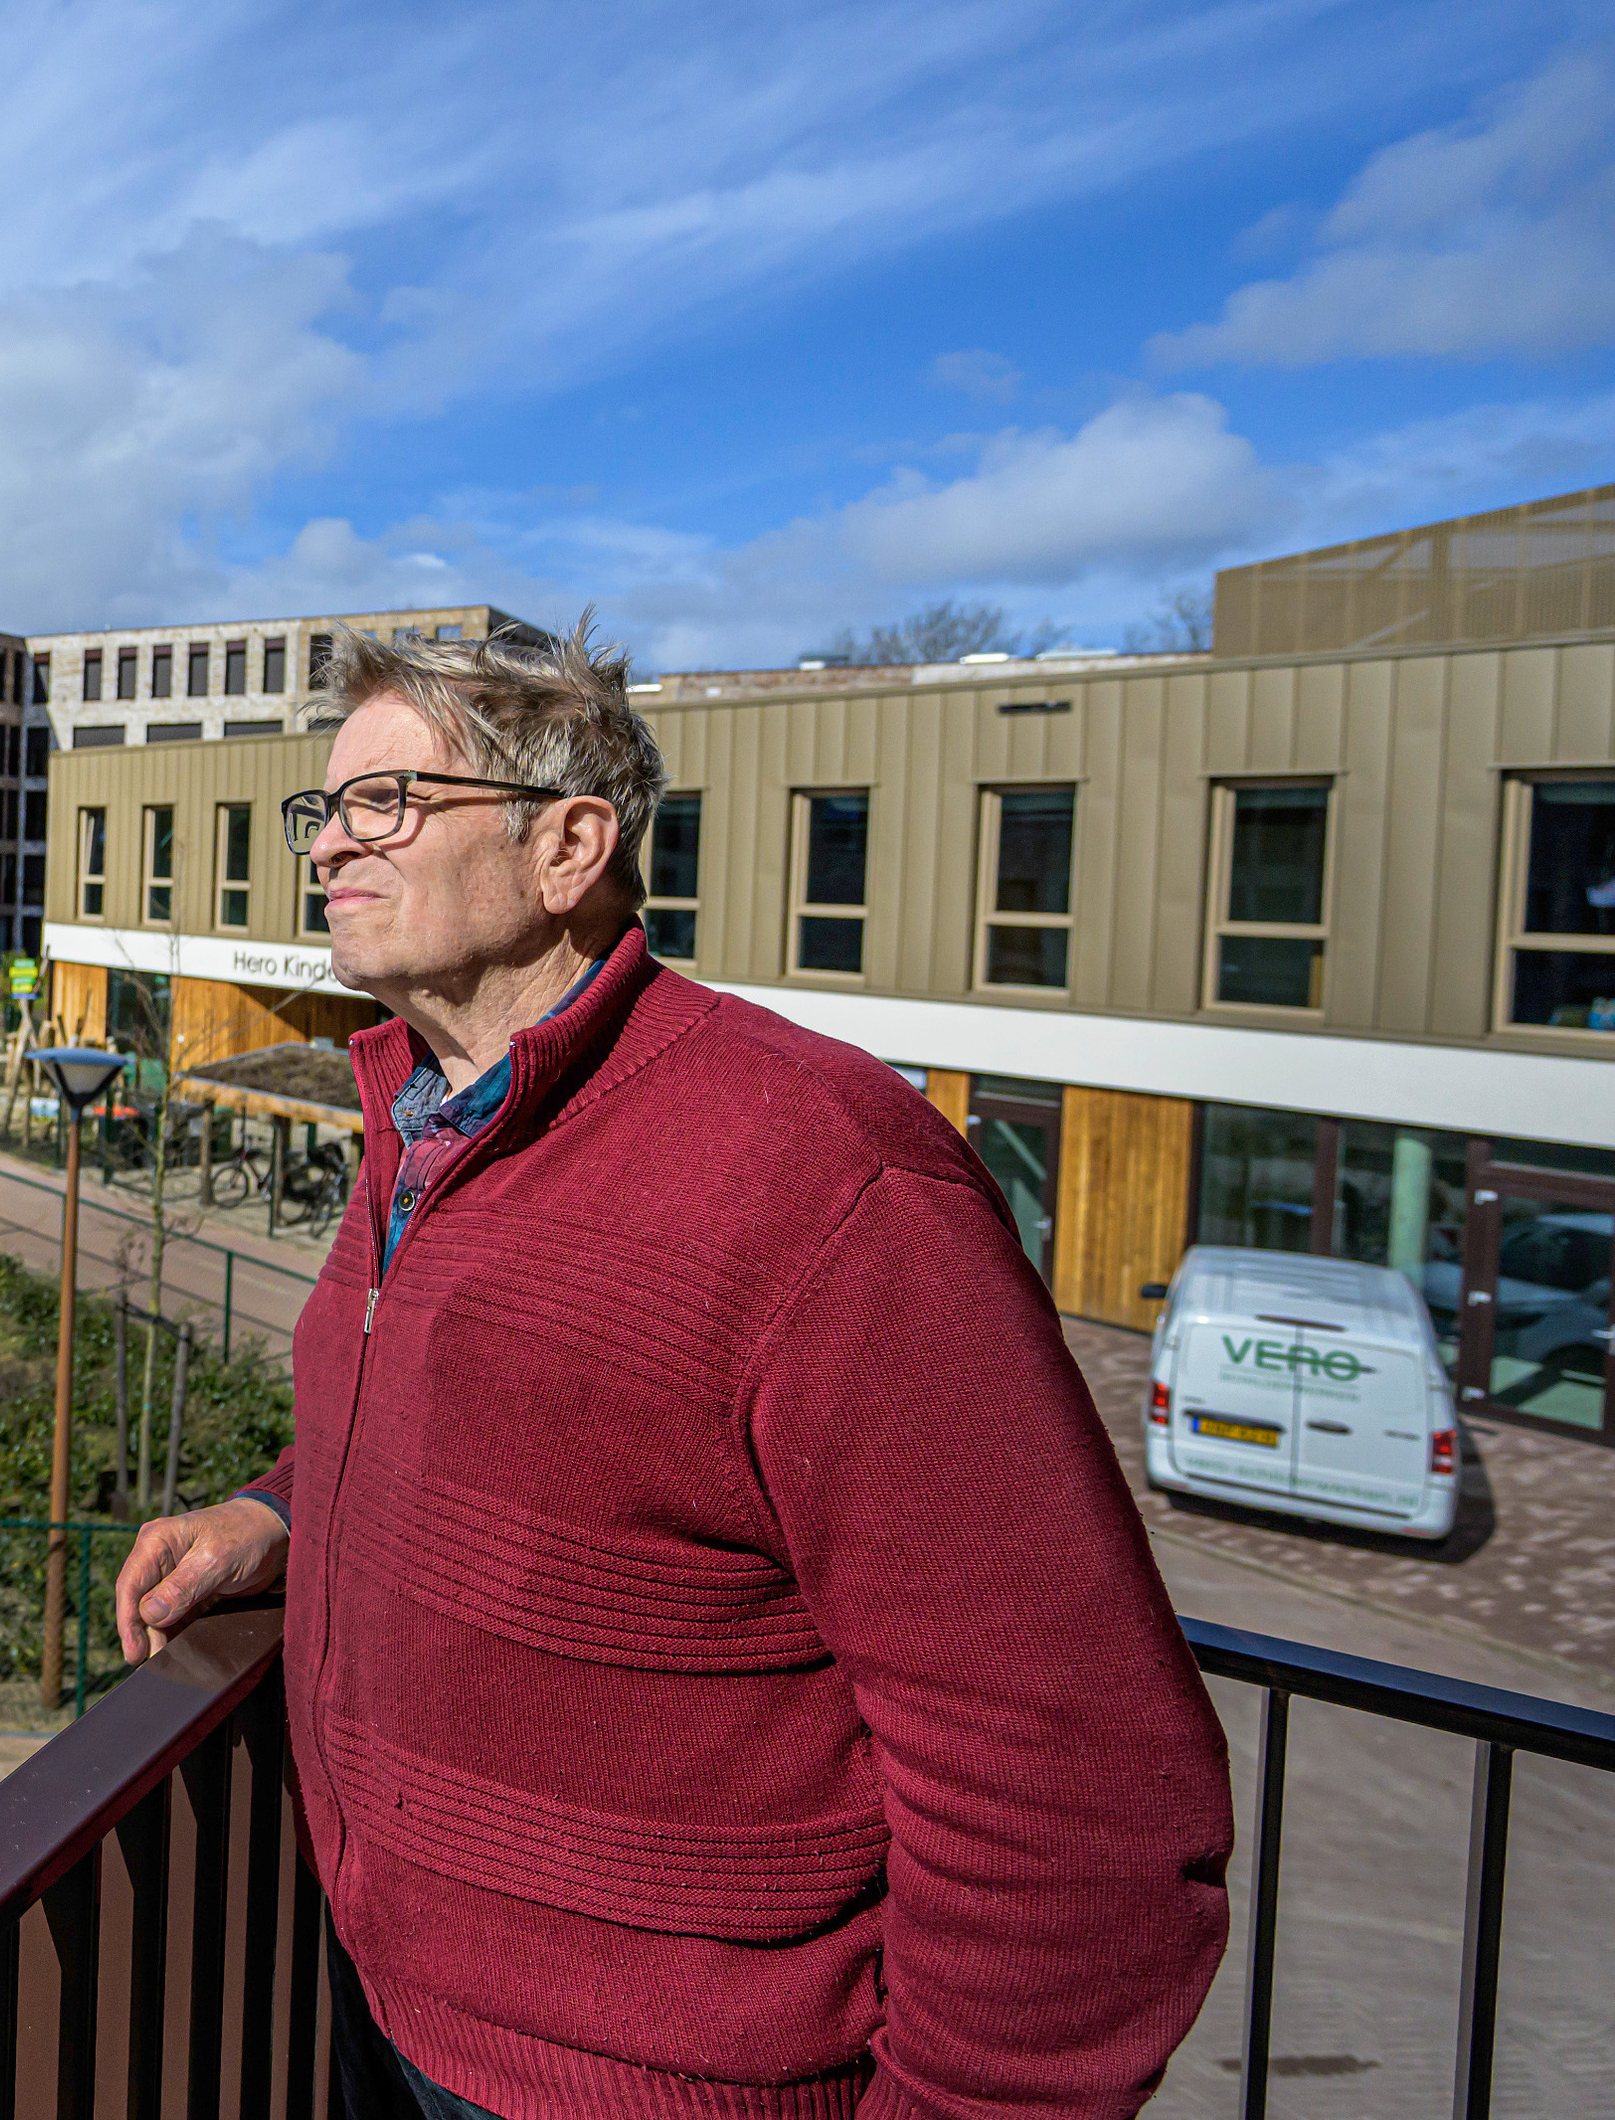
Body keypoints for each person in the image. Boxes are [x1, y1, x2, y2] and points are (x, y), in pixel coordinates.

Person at [110, 624, 1230, 2120]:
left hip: (654, 2087)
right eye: (326, 811)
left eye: (386, 804)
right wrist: (282, 1512)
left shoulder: (823, 1177)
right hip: (390, 2012)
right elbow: (524, 1431)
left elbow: (1079, 1791)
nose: (329, 849)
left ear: (569, 846)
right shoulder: (425, 1120)